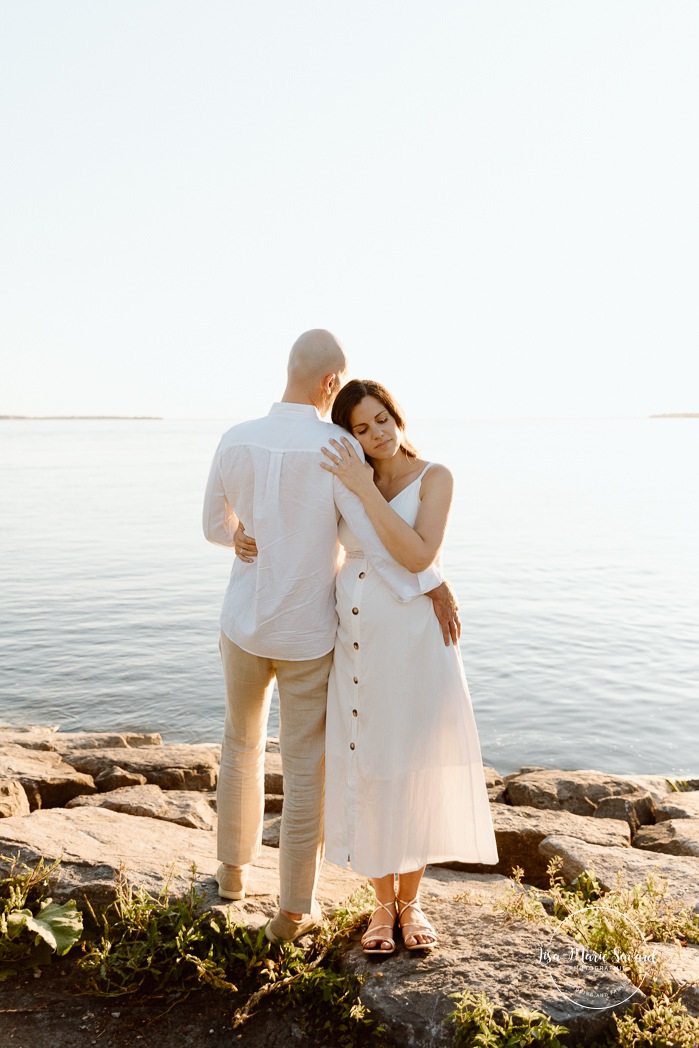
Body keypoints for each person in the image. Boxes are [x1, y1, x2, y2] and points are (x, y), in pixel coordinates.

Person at [202, 331, 460, 944]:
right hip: (308, 633)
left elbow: (215, 526)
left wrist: (242, 537)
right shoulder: (336, 447)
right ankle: (293, 911)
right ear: (330, 383)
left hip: (242, 623)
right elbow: (374, 536)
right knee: (303, 771)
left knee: (239, 746)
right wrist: (434, 582)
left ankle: (232, 875)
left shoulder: (234, 438)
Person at [317, 379, 498, 953]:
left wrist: (365, 491)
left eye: (381, 421)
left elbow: (419, 553)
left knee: (413, 758)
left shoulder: (434, 477)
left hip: (416, 639)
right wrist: (241, 534)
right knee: (366, 756)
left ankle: (411, 901)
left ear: (397, 416)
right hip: (356, 637)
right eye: (361, 430)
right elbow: (314, 536)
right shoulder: (346, 479)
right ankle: (380, 905)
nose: (376, 436)